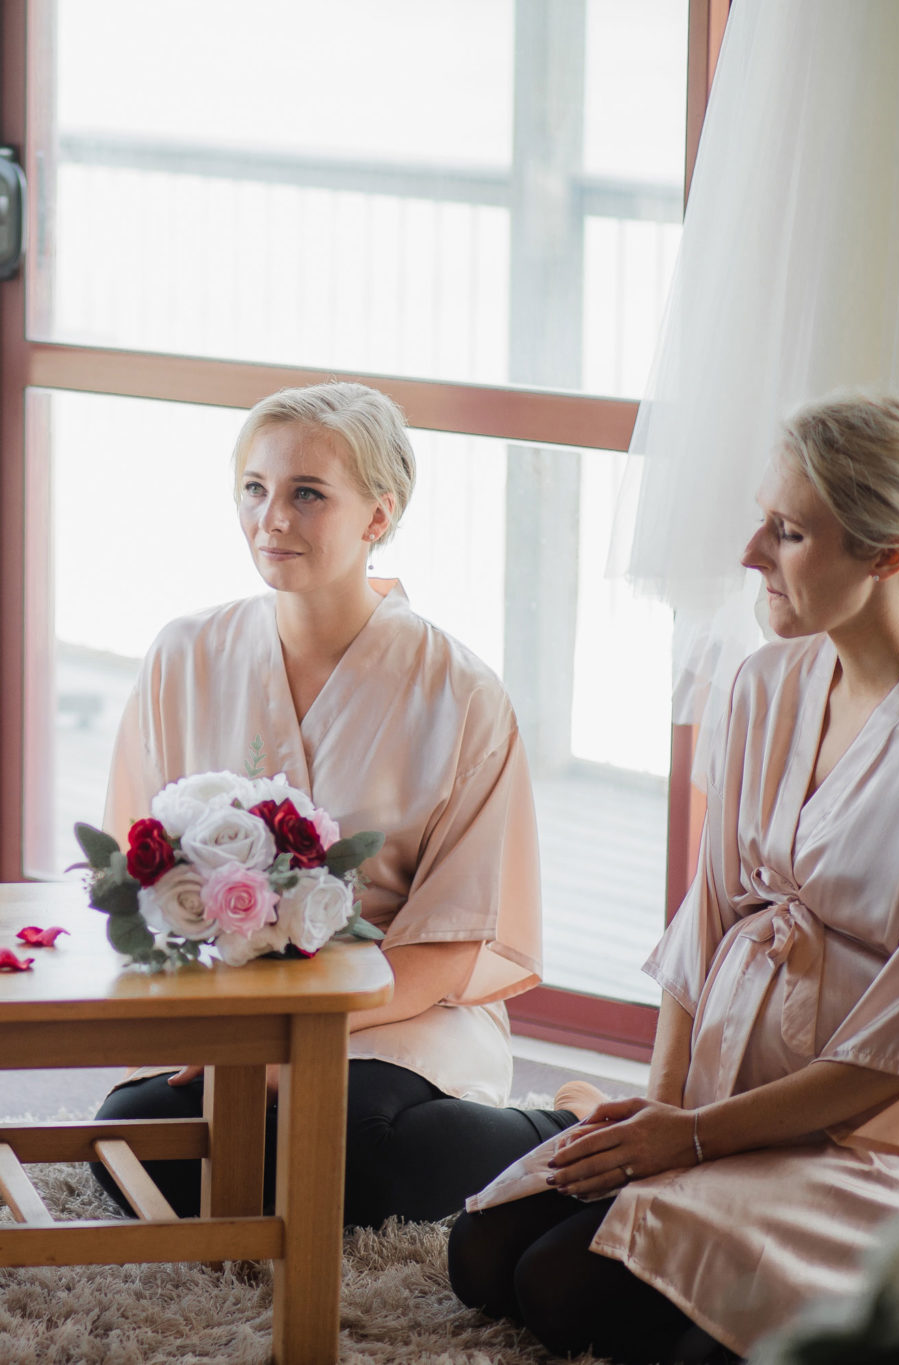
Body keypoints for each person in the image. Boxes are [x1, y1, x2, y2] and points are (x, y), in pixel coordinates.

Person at [449, 392, 899, 1363]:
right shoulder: (763, 684)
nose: (748, 554)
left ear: (885, 555)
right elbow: (705, 926)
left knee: (560, 1286)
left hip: (870, 1135)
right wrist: (663, 1108)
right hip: (717, 1088)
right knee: (482, 1253)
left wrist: (697, 1140)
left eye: (784, 532)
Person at [90, 382, 568, 1229]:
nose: (272, 517)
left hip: (397, 1009)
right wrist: (237, 1039)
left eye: (308, 494)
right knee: (130, 1147)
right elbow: (139, 877)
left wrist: (292, 1050)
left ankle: (561, 1120)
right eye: (256, 489)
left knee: (353, 1154)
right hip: (231, 1005)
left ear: (378, 516)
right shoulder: (184, 655)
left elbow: (453, 943)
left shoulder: (461, 693)